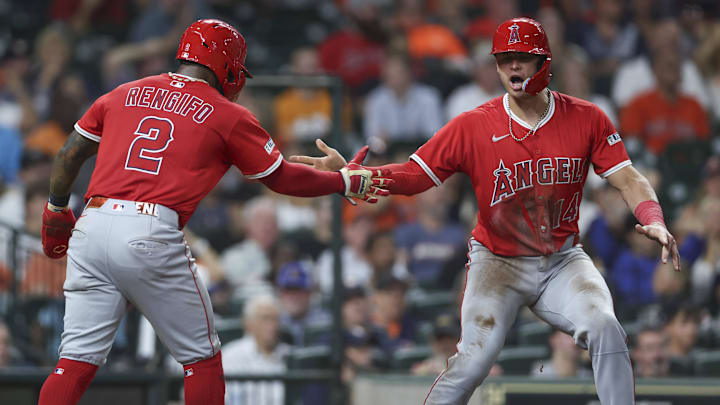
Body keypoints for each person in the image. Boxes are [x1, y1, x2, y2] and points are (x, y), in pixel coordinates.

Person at [291, 17, 680, 404]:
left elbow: (628, 178)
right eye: (504, 58)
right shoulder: (474, 124)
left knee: (605, 326)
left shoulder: (586, 117)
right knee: (473, 363)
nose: (512, 66)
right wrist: (353, 176)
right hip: (498, 263)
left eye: (522, 58)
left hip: (562, 260)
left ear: (544, 62)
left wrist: (653, 219)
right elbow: (415, 175)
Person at [37, 19, 392, 405]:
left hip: (92, 222)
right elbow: (282, 179)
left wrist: (56, 209)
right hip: (150, 228)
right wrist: (342, 181)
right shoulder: (226, 114)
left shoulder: (123, 91)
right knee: (201, 360)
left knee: (73, 362)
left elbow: (69, 153)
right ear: (225, 64)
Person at [222, 294, 289, 405]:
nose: (271, 325)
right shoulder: (230, 356)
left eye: (275, 319)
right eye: (265, 318)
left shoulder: (289, 354)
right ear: (248, 323)